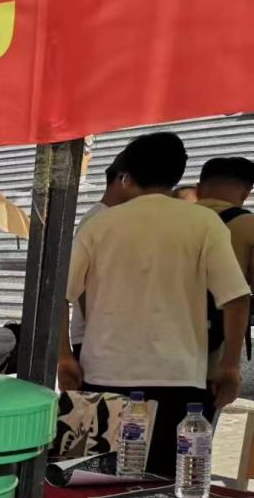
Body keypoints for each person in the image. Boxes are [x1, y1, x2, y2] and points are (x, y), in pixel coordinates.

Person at [60, 131, 251, 476]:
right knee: (167, 489)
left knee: (96, 484)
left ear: (127, 174)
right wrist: (229, 364)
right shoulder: (203, 223)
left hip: (104, 375)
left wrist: (63, 355)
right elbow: (236, 298)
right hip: (179, 380)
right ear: (178, 174)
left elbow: (60, 297)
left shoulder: (99, 224)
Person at [70, 154, 131, 360]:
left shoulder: (113, 218)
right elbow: (82, 283)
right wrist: (95, 328)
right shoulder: (98, 219)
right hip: (95, 338)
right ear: (123, 180)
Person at [196, 156, 254, 361]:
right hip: (218, 333)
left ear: (198, 188)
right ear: (246, 192)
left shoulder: (171, 220)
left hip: (163, 331)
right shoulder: (248, 224)